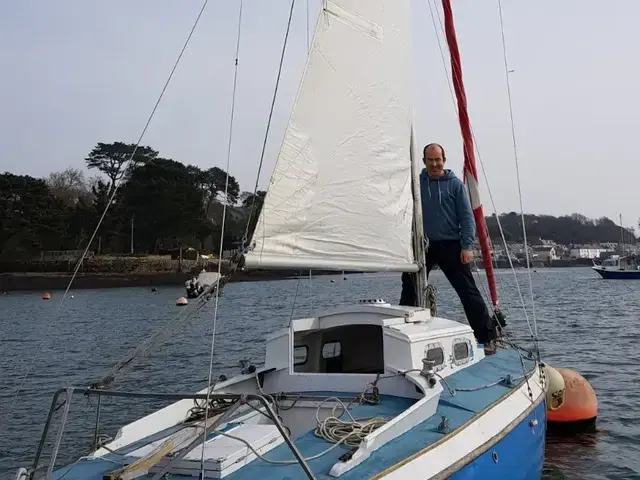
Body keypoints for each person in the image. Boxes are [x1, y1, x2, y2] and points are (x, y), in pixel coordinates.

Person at [401, 143, 497, 355]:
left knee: (467, 292)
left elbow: (467, 217)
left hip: (451, 244)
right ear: (424, 161)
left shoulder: (455, 185)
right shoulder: (417, 183)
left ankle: (487, 337)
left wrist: (467, 246)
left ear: (443, 160)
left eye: (438, 160)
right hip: (422, 245)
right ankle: (403, 337)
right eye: (430, 160)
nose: (434, 164)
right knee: (409, 290)